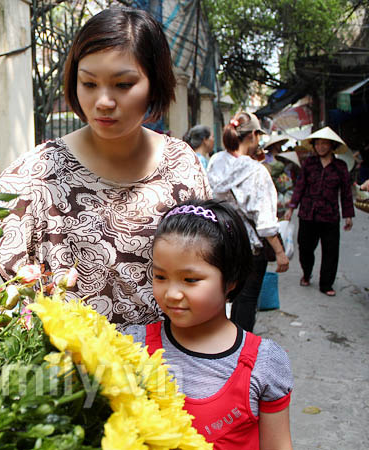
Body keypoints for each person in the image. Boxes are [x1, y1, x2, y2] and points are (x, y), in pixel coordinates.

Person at [0, 7, 211, 354]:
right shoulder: (44, 167)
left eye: (123, 84)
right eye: (89, 83)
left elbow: (209, 265)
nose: (103, 101)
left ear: (154, 84)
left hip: (169, 371)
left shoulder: (181, 165)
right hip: (66, 380)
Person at [125, 199, 293, 450]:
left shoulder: (263, 363)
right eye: (160, 276)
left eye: (190, 279)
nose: (171, 293)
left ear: (232, 280)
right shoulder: (132, 347)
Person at [206, 112, 288, 332]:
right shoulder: (257, 171)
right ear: (252, 135)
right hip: (249, 248)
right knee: (246, 301)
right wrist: (280, 252)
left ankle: (216, 342)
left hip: (218, 242)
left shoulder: (216, 162)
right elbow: (265, 221)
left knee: (220, 298)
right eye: (258, 136)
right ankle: (239, 351)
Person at [284, 127, 354, 297]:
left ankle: (326, 284)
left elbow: (346, 192)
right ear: (314, 145)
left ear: (332, 146)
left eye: (325, 143)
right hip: (308, 214)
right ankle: (307, 273)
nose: (321, 147)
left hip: (330, 215)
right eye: (318, 143)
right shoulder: (309, 164)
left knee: (331, 251)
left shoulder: (340, 167)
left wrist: (348, 215)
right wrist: (291, 208)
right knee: (305, 248)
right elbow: (300, 187)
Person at [262, 133, 295, 219]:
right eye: (278, 144)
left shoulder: (284, 156)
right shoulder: (265, 158)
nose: (280, 146)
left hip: (285, 189)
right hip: (272, 188)